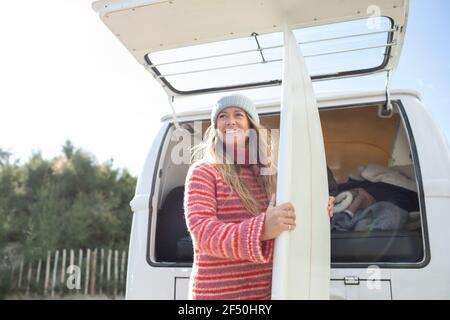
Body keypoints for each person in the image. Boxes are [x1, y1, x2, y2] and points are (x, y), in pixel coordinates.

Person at [184, 94, 334, 300]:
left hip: (265, 293)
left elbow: (291, 214)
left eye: (239, 114)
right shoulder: (204, 171)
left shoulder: (271, 175)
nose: (231, 121)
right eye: (223, 116)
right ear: (216, 128)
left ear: (251, 126)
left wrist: (317, 207)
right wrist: (263, 228)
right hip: (217, 295)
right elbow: (203, 233)